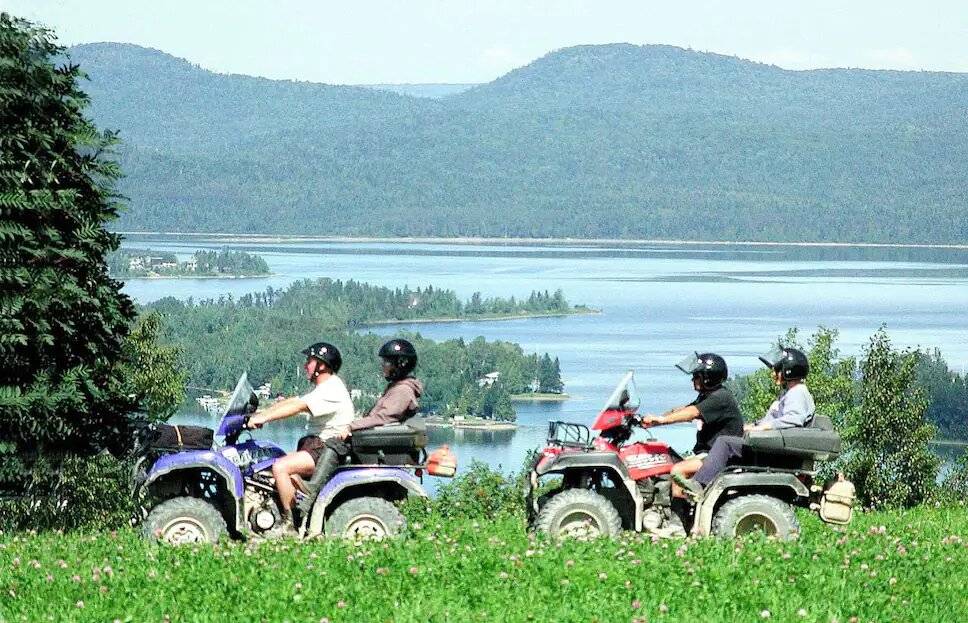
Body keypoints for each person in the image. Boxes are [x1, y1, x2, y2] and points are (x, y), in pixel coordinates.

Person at [296, 338, 424, 518]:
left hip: (376, 441)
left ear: (400, 364)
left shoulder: (403, 390)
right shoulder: (398, 387)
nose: (383, 366)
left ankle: (311, 493)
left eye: (387, 362)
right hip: (374, 436)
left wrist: (351, 426)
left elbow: (383, 417)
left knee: (334, 445)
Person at [676, 347, 815, 499]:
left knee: (724, 442)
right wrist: (752, 426)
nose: (773, 373)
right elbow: (773, 419)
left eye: (777, 370)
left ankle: (699, 484)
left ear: (789, 371)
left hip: (772, 450)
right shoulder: (788, 393)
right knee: (728, 438)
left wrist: (763, 428)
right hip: (769, 445)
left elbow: (794, 419)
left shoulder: (798, 392)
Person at [246, 342, 354, 533]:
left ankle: (290, 523)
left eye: (309, 361)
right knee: (269, 461)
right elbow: (295, 401)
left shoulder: (332, 389)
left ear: (322, 365)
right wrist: (260, 414)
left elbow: (298, 407)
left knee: (280, 467)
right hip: (317, 446)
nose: (305, 365)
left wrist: (264, 418)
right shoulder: (325, 387)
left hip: (326, 448)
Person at [642, 352, 743, 499]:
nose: (693, 379)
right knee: (664, 458)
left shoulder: (720, 397)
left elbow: (691, 412)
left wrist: (661, 421)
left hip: (719, 457)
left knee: (678, 471)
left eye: (697, 375)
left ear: (708, 377)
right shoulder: (708, 396)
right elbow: (683, 410)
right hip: (709, 453)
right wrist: (652, 420)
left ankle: (680, 516)